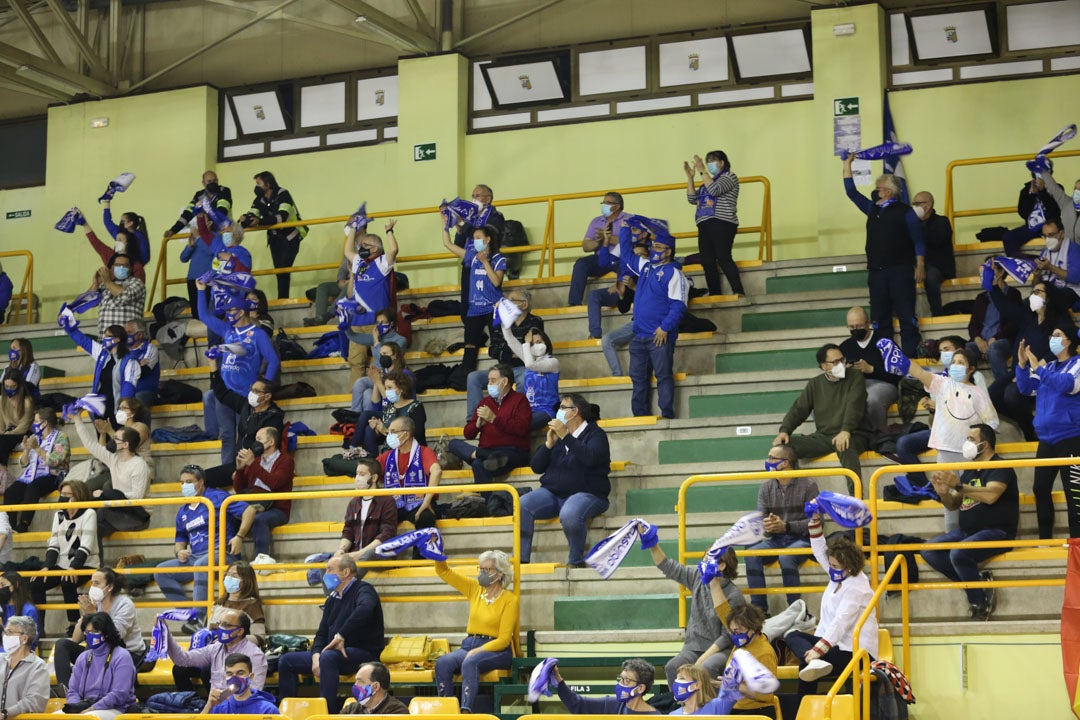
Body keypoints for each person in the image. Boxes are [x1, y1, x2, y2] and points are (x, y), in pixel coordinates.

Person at [889, 345, 998, 530]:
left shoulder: (979, 394)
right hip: (945, 454)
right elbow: (920, 373)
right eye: (954, 362)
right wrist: (903, 360)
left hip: (969, 456)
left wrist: (977, 445)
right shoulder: (942, 384)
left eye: (961, 363)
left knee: (969, 497)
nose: (955, 365)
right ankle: (952, 535)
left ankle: (973, 533)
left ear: (971, 369)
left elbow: (992, 423)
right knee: (947, 497)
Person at [922, 424, 1019, 621]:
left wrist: (958, 485)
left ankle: (979, 602)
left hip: (997, 531)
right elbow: (953, 505)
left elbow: (991, 495)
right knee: (928, 550)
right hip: (967, 531)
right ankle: (978, 584)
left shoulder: (1000, 466)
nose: (967, 443)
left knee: (958, 553)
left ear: (986, 444)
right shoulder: (969, 471)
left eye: (972, 439)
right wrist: (943, 493)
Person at [277, 556, 385, 713]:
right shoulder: (332, 600)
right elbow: (321, 634)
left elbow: (365, 610)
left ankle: (327, 713)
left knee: (328, 657)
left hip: (363, 652)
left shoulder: (364, 589)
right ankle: (285, 712)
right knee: (286, 661)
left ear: (346, 571)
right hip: (333, 654)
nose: (325, 574)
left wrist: (341, 635)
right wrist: (315, 656)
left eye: (329, 569)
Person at [784, 514, 877, 696]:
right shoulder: (838, 574)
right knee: (792, 635)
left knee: (806, 664)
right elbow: (819, 550)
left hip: (855, 652)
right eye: (831, 564)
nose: (831, 568)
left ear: (849, 568)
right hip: (834, 645)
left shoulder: (858, 587)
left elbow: (841, 622)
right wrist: (814, 520)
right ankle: (813, 663)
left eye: (835, 566)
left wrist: (818, 650)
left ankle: (803, 710)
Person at [842, 155, 925, 356]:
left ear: (888, 191)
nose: (875, 191)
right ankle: (886, 360)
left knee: (907, 318)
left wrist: (920, 265)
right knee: (880, 321)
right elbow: (851, 193)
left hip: (901, 271)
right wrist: (847, 165)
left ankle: (912, 360)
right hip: (876, 272)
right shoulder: (872, 209)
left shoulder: (906, 212)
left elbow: (918, 240)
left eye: (878, 188)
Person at [641, 528, 740, 686]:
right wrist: (652, 543)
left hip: (721, 649)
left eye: (708, 560)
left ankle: (709, 709)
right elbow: (668, 566)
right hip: (693, 646)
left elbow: (727, 636)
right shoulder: (697, 578)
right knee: (673, 666)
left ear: (722, 566)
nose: (703, 563)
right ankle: (682, 708)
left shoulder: (734, 595)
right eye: (704, 559)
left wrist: (702, 659)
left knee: (707, 666)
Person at [155, 465, 250, 631]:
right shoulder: (183, 511)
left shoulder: (217, 496)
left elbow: (249, 511)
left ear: (201, 482)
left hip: (222, 552)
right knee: (160, 571)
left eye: (189, 482)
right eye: (182, 482)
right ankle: (189, 614)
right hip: (195, 556)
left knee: (201, 564)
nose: (185, 486)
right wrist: (180, 552)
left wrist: (239, 536)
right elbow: (179, 541)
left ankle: (199, 619)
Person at [521, 394, 610, 567]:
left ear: (575, 411)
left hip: (588, 494)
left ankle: (575, 561)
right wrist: (548, 445)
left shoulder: (596, 434)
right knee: (523, 504)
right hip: (553, 493)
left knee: (569, 513)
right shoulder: (559, 437)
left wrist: (566, 437)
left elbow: (590, 458)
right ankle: (522, 560)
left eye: (562, 408)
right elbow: (536, 467)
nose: (558, 412)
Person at [197, 281, 280, 464]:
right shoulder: (227, 330)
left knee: (245, 438)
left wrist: (263, 389)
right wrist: (201, 290)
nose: (227, 314)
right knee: (227, 436)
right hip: (225, 393)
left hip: (245, 395)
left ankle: (244, 474)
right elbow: (203, 315)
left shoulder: (258, 334)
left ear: (241, 312)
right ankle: (228, 473)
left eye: (230, 311)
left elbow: (273, 360)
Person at [773, 343, 872, 490]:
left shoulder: (856, 376)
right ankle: (796, 495)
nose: (841, 365)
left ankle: (856, 500)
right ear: (824, 366)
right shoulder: (815, 384)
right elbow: (799, 409)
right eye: (835, 362)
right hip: (824, 437)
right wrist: (784, 430)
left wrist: (846, 430)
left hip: (854, 434)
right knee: (784, 449)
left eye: (842, 360)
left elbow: (855, 406)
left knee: (845, 445)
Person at [433, 550, 519, 713]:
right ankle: (446, 711)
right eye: (480, 569)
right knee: (443, 662)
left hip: (497, 649)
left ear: (500, 574)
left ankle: (466, 712)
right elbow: (444, 572)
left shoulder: (510, 600)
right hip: (470, 644)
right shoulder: (475, 589)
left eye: (487, 570)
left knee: (470, 661)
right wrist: (439, 555)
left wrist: (477, 650)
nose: (482, 573)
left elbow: (504, 640)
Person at [1016, 323, 1080, 539]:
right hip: (1047, 439)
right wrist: (1023, 366)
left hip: (1071, 437)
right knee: (1040, 488)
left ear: (1069, 340)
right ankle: (1045, 539)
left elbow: (1067, 384)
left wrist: (1038, 368)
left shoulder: (1078, 363)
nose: (1052, 338)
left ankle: (1076, 542)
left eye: (1057, 334)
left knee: (1075, 493)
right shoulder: (1049, 366)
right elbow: (1026, 388)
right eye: (1052, 334)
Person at [987, 280, 1072, 440]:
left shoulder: (1060, 321)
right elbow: (1005, 308)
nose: (1033, 295)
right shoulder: (1028, 317)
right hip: (1020, 368)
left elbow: (1063, 346)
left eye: (1038, 292)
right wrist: (992, 286)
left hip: (1045, 373)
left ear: (1049, 297)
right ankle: (1029, 424)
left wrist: (1033, 368)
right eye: (1032, 292)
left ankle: (1030, 434)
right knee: (991, 395)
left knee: (1011, 393)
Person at [621, 218, 688, 419]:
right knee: (638, 378)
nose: (653, 249)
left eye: (658, 247)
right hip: (639, 335)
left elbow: (679, 305)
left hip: (660, 336)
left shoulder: (674, 273)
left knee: (663, 376)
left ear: (669, 251)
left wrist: (665, 328)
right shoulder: (646, 267)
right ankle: (640, 416)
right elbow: (625, 255)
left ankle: (667, 415)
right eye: (652, 246)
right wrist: (625, 230)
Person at [743, 444, 818, 615]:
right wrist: (769, 525)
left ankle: (796, 611)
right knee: (751, 555)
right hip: (776, 539)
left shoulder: (808, 485)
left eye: (771, 458)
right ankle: (759, 611)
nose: (767, 461)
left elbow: (816, 521)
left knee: (786, 557)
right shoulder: (766, 487)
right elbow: (761, 520)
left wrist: (787, 526)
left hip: (802, 539)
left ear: (785, 463)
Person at [54, 568, 146, 687]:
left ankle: (88, 693)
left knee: (93, 651)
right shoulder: (94, 604)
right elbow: (76, 639)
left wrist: (93, 615)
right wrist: (85, 616)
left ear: (109, 587)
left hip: (128, 652)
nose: (93, 587)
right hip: (100, 652)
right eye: (92, 583)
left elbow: (115, 637)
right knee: (62, 644)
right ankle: (65, 689)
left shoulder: (125, 604)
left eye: (97, 583)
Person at [450, 364, 532, 495]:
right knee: (453, 443)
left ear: (504, 381)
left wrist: (494, 419)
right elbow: (468, 434)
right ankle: (483, 455)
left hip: (511, 452)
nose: (489, 384)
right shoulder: (485, 402)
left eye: (493, 380)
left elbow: (522, 429)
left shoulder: (520, 400)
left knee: (477, 464)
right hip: (489, 452)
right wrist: (477, 425)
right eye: (488, 380)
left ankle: (487, 506)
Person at [30, 479, 98, 633]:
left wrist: (73, 567)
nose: (63, 497)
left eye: (68, 494)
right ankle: (38, 627)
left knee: (67, 579)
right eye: (62, 494)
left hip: (86, 563)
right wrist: (46, 566)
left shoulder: (89, 513)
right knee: (36, 582)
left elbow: (85, 545)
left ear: (77, 496)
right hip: (62, 563)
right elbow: (54, 543)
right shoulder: (59, 515)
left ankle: (74, 624)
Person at [72, 413, 151, 546]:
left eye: (116, 438)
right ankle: (96, 565)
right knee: (91, 529)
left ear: (125, 444)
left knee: (95, 514)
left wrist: (106, 495)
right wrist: (77, 419)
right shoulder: (113, 458)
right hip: (116, 510)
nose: (112, 440)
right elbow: (90, 444)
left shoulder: (139, 465)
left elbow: (137, 497)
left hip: (137, 516)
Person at [441, 215, 505, 374]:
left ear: (488, 239)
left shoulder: (498, 259)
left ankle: (505, 374)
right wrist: (445, 225)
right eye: (474, 238)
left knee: (499, 345)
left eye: (478, 238)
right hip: (474, 309)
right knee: (470, 346)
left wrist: (485, 262)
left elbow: (497, 282)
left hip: (493, 308)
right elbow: (447, 244)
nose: (475, 241)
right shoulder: (471, 256)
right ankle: (464, 378)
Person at [204, 358, 283, 488]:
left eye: (256, 391)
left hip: (257, 464)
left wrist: (243, 471)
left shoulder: (274, 416)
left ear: (267, 396)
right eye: (251, 389)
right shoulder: (246, 406)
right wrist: (213, 365)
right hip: (239, 463)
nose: (252, 393)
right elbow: (222, 393)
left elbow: (264, 448)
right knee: (202, 478)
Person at [466, 288, 544, 419]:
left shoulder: (535, 321)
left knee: (525, 375)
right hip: (503, 369)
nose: (507, 304)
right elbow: (493, 350)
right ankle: (474, 418)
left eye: (512, 301)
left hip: (524, 367)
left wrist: (507, 350)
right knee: (473, 377)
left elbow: (533, 349)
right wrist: (514, 352)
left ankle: (517, 415)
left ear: (524, 305)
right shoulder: (500, 322)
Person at [342, 220, 399, 387]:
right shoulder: (359, 263)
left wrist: (389, 231)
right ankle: (355, 404)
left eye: (364, 244)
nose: (360, 247)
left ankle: (380, 397)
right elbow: (347, 250)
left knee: (380, 363)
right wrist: (353, 228)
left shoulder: (382, 263)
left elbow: (394, 249)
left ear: (374, 248)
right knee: (356, 364)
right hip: (357, 323)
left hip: (377, 324)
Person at [161, 608, 266, 698]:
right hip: (215, 710)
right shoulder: (216, 648)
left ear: (240, 631)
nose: (220, 628)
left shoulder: (254, 655)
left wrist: (224, 699)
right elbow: (182, 659)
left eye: (226, 625)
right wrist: (166, 635)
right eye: (219, 624)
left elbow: (255, 694)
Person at [705, 599, 779, 717]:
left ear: (753, 627)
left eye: (738, 632)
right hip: (734, 708)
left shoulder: (764, 653)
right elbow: (722, 609)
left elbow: (766, 695)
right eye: (732, 632)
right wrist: (714, 583)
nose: (735, 635)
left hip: (757, 711)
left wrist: (736, 686)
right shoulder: (742, 643)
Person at [685, 150, 744, 297]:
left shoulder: (729, 177)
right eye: (707, 161)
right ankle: (715, 294)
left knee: (723, 257)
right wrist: (690, 178)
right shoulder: (706, 183)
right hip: (704, 224)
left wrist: (702, 170)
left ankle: (738, 291)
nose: (709, 164)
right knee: (707, 261)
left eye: (712, 160)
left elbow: (715, 189)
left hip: (722, 222)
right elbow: (692, 199)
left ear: (722, 162)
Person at [240, 170, 308, 298]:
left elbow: (281, 216)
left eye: (259, 183)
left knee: (283, 270)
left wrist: (259, 221)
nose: (256, 187)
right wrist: (244, 220)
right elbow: (253, 213)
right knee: (279, 271)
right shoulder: (260, 199)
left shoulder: (283, 194)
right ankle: (281, 299)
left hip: (290, 238)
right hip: (274, 239)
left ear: (268, 184)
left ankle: (282, 299)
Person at [233, 426, 294, 568]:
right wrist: (240, 469)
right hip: (253, 504)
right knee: (228, 518)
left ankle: (262, 561)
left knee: (259, 519)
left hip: (277, 509)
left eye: (259, 440)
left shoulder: (285, 461)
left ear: (271, 442)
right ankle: (233, 562)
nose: (255, 443)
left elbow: (274, 483)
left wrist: (252, 464)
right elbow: (240, 489)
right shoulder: (256, 461)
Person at [58, 318, 140, 422]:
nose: (104, 339)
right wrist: (68, 327)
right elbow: (83, 341)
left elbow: (128, 387)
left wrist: (122, 409)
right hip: (100, 408)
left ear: (117, 339)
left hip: (117, 409)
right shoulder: (103, 354)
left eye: (108, 336)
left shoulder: (130, 361)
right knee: (101, 438)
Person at [8, 406, 69, 533]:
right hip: (31, 475)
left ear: (44, 423)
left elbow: (55, 461)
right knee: (11, 491)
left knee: (33, 487)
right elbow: (23, 464)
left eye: (36, 421)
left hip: (53, 475)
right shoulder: (35, 437)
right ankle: (9, 526)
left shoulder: (61, 437)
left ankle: (24, 524)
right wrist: (26, 450)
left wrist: (37, 449)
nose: (34, 424)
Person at [839, 306, 900, 434]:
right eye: (852, 327)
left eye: (859, 326)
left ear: (868, 323)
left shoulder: (885, 342)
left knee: (871, 399)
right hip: (855, 385)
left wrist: (872, 369)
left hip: (884, 384)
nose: (856, 330)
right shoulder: (845, 347)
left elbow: (898, 373)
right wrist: (844, 371)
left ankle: (879, 436)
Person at [64, 612, 136, 720]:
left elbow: (119, 693)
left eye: (95, 631)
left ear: (106, 633)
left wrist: (93, 708)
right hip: (84, 708)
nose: (91, 635)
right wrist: (75, 708)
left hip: (115, 709)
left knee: (90, 718)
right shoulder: (83, 657)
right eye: (88, 632)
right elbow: (73, 691)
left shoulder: (122, 656)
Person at [568, 191, 631, 306]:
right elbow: (586, 246)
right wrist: (599, 241)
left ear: (617, 206)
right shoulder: (596, 221)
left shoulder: (629, 220)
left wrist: (607, 237)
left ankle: (622, 301)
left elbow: (627, 242)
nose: (604, 206)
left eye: (608, 203)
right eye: (603, 202)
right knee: (581, 264)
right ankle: (574, 303)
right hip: (600, 258)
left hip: (620, 259)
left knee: (627, 267)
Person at [452, 184, 506, 315]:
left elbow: (485, 235)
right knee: (465, 307)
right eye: (472, 196)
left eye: (477, 196)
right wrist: (459, 229)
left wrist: (465, 224)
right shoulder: (470, 217)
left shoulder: (496, 216)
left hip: (488, 263)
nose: (473, 199)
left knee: (489, 303)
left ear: (488, 199)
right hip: (470, 264)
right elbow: (458, 244)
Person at [347, 371, 426, 460]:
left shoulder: (416, 407)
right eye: (386, 388)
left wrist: (385, 430)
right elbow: (385, 433)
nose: (387, 391)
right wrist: (377, 428)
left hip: (409, 452)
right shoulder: (389, 408)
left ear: (401, 389)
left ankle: (372, 464)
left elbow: (415, 436)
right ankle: (370, 463)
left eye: (389, 388)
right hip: (389, 451)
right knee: (369, 430)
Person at [378, 417, 441, 527]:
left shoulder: (424, 452)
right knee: (376, 519)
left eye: (393, 432)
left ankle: (420, 545)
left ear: (406, 435)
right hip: (395, 504)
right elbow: (370, 469)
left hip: (418, 503)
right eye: (389, 432)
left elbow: (437, 471)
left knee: (426, 517)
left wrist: (427, 501)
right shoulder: (387, 456)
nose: (389, 436)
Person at [966, 259, 1022, 383]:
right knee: (967, 349)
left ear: (1001, 272)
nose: (985, 274)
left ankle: (1004, 387)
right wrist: (978, 339)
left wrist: (995, 338)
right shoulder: (981, 297)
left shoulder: (1013, 294)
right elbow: (973, 324)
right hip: (982, 342)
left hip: (1004, 340)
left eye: (989, 270)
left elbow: (1014, 323)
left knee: (994, 349)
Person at [552, 658, 659, 714]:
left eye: (626, 680)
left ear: (640, 688)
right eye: (620, 678)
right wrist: (558, 679)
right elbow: (577, 704)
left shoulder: (654, 717)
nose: (620, 684)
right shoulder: (612, 704)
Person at [502, 324, 559, 429]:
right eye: (532, 344)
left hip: (547, 410)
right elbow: (510, 339)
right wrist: (504, 319)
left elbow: (530, 365)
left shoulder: (553, 362)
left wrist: (527, 343)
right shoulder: (529, 359)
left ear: (546, 342)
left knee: (518, 425)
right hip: (528, 410)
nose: (535, 346)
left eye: (539, 342)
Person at [911, 191, 955, 316]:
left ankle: (937, 313)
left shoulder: (942, 221)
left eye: (917, 204)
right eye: (913, 204)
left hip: (938, 265)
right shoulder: (911, 224)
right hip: (916, 265)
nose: (914, 207)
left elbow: (938, 240)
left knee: (931, 276)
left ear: (928, 205)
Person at [1003, 165, 1062, 257]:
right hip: (1032, 227)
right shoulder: (1025, 190)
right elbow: (1023, 213)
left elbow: (1055, 211)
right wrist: (1032, 195)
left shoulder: (1057, 188)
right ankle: (1024, 260)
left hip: (1051, 225)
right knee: (1009, 237)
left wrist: (1043, 192)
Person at [0, 615, 48, 717]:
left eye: (9, 632)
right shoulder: (1, 659)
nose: (5, 636)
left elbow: (34, 702)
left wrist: (5, 714)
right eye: (5, 632)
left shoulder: (38, 666)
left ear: (24, 638)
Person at [165, 170, 234, 240]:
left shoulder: (224, 191)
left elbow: (222, 210)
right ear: (203, 183)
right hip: (208, 235)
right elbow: (187, 214)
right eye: (209, 181)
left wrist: (208, 226)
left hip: (225, 232)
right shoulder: (199, 195)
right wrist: (173, 230)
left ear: (218, 180)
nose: (212, 183)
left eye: (214, 180)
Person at [204, 653, 280, 715]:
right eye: (230, 674)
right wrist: (208, 706)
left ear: (251, 676)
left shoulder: (267, 710)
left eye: (240, 673)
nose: (234, 678)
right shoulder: (219, 708)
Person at [93, 254, 146, 337]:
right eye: (117, 265)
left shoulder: (137, 283)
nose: (121, 268)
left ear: (130, 268)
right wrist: (95, 284)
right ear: (112, 267)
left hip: (128, 340)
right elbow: (88, 302)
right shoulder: (104, 286)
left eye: (125, 265)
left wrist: (108, 282)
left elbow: (126, 296)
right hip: (107, 341)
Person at [1034, 217, 1080, 307]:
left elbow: (1076, 277)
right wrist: (1036, 276)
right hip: (1048, 294)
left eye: (1051, 235)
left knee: (1048, 295)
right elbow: (1036, 285)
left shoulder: (1073, 249)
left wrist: (1050, 267)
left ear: (1061, 234)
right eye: (1045, 236)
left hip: (1071, 291)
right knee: (1027, 304)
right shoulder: (1044, 252)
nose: (1047, 239)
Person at [82, 217, 146, 282]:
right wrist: (84, 224)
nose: (116, 242)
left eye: (120, 240)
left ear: (129, 243)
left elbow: (137, 290)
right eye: (116, 239)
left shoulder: (137, 267)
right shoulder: (110, 256)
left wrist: (109, 283)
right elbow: (95, 242)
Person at [211, 561, 266, 636]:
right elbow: (210, 629)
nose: (229, 578)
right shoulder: (219, 603)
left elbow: (259, 637)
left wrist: (234, 639)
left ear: (246, 580)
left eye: (234, 576)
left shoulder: (252, 605)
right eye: (227, 574)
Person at [343, 661, 408, 714]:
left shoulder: (397, 710)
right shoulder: (351, 709)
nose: (355, 685)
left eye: (360, 681)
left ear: (376, 686)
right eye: (355, 681)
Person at [305, 256, 350, 327]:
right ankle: (319, 320)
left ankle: (328, 315)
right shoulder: (352, 247)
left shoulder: (371, 249)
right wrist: (340, 280)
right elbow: (343, 268)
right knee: (322, 287)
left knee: (348, 286)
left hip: (359, 283)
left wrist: (351, 280)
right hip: (345, 282)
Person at [124, 319, 160, 408]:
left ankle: (142, 422)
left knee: (138, 401)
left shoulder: (150, 348)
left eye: (129, 332)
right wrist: (138, 365)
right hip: (127, 391)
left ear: (140, 334)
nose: (125, 336)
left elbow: (144, 372)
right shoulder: (123, 352)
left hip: (145, 391)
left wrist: (128, 368)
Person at [0, 369, 33, 461]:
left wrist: (6, 434)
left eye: (12, 387)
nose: (9, 389)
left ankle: (2, 469)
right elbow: (1, 424)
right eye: (6, 386)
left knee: (3, 441)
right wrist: (3, 433)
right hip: (7, 432)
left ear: (19, 386)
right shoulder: (1, 400)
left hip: (23, 433)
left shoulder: (27, 402)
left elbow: (24, 426)